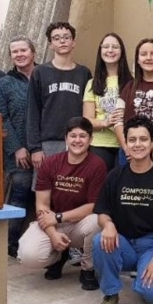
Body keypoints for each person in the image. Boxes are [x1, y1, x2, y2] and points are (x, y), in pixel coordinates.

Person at [92, 116, 153, 304]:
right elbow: (102, 211)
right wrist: (108, 225)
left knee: (152, 293)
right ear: (126, 143)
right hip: (123, 242)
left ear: (151, 142)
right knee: (100, 240)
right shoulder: (115, 175)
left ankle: (143, 280)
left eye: (143, 139)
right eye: (132, 140)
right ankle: (111, 293)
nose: (138, 144)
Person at [18, 117, 107, 291]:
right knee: (28, 255)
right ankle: (59, 257)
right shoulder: (50, 163)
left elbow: (93, 206)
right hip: (51, 223)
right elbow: (42, 205)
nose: (77, 140)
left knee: (98, 221)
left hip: (79, 223)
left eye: (82, 136)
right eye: (73, 136)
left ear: (91, 139)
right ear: (66, 138)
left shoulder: (97, 165)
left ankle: (88, 269)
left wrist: (59, 217)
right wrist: (52, 234)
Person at [27, 22, 92, 173]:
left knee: (75, 185)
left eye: (66, 37)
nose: (62, 41)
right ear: (50, 44)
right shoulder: (40, 72)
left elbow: (89, 109)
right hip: (49, 142)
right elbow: (33, 111)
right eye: (56, 38)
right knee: (46, 185)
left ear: (73, 42)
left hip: (78, 140)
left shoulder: (84, 73)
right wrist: (35, 147)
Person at [0, 37, 37, 258]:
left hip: (44, 148)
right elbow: (1, 118)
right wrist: (16, 147)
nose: (19, 54)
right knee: (19, 196)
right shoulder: (5, 83)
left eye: (23, 50)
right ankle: (10, 243)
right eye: (15, 52)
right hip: (19, 152)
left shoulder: (45, 76)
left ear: (33, 52)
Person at [115, 38, 153, 163]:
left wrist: (150, 148)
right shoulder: (129, 87)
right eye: (143, 54)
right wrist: (127, 148)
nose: (149, 58)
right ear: (138, 60)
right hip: (129, 153)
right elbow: (117, 122)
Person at [83, 33, 133, 170]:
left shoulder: (132, 82)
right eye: (106, 46)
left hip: (128, 144)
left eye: (115, 47)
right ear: (100, 51)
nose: (110, 50)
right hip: (100, 144)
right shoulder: (92, 83)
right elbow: (87, 120)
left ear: (121, 51)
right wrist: (105, 122)